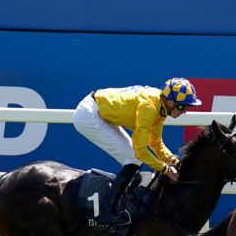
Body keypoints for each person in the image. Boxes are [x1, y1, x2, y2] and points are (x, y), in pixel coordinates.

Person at [73, 78, 202, 225]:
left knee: (133, 159)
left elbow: (155, 143)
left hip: (98, 110)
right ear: (171, 102)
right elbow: (140, 151)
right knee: (133, 159)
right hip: (89, 115)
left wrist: (174, 161)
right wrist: (166, 169)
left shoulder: (161, 105)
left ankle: (117, 206)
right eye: (183, 106)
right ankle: (105, 212)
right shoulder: (150, 107)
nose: (185, 111)